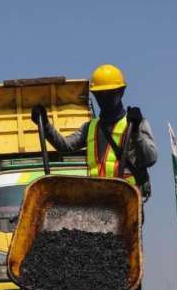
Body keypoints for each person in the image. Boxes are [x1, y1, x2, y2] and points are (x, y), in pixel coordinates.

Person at [31, 65, 157, 198]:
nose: (104, 99)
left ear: (121, 92)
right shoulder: (91, 127)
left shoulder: (134, 123)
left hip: (127, 200)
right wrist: (45, 124)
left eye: (109, 94)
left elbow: (150, 159)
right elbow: (65, 146)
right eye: (100, 95)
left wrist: (136, 132)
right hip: (97, 201)